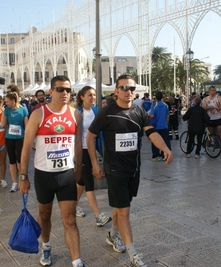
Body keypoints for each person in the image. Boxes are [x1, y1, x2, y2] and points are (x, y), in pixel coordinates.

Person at [86, 74, 173, 267]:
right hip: (114, 170)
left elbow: (150, 132)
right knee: (124, 211)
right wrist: (94, 163)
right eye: (124, 88)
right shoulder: (106, 112)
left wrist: (165, 148)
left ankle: (113, 234)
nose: (128, 92)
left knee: (120, 206)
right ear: (116, 91)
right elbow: (90, 136)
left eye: (132, 88)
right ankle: (134, 256)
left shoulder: (139, 112)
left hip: (133, 170)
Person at [19, 75, 85, 267]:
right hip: (44, 175)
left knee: (70, 220)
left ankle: (77, 261)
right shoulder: (39, 114)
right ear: (51, 92)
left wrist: (78, 170)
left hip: (66, 174)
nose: (65, 93)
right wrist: (23, 176)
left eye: (68, 90)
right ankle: (46, 246)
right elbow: (26, 146)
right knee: (45, 216)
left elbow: (79, 144)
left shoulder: (75, 115)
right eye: (60, 89)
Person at [74, 86, 111, 226]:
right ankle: (98, 215)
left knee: (82, 182)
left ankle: (74, 206)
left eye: (94, 95)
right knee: (89, 181)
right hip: (81, 150)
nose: (92, 97)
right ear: (82, 96)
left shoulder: (96, 111)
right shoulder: (77, 112)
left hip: (93, 149)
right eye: (89, 95)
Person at [1, 92, 29, 192]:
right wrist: (3, 113)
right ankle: (14, 182)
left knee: (19, 159)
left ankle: (21, 179)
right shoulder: (7, 110)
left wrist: (26, 137)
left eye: (7, 101)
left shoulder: (23, 109)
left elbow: (27, 125)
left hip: (20, 137)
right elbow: (3, 124)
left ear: (13, 101)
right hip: (9, 137)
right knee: (12, 160)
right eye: (5, 101)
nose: (6, 103)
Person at [202, 86, 221, 156]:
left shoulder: (218, 97)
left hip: (217, 118)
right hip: (210, 119)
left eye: (214, 90)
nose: (214, 92)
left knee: (220, 133)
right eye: (212, 90)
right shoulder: (206, 99)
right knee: (210, 134)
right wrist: (209, 107)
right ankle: (207, 147)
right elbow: (203, 107)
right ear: (209, 91)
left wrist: (217, 108)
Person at [149, 91, 171, 161]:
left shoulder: (154, 105)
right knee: (164, 141)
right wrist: (166, 123)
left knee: (155, 141)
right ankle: (164, 155)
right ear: (162, 97)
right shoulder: (165, 105)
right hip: (164, 126)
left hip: (156, 126)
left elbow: (152, 115)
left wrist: (148, 116)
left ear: (155, 97)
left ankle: (156, 156)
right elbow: (168, 115)